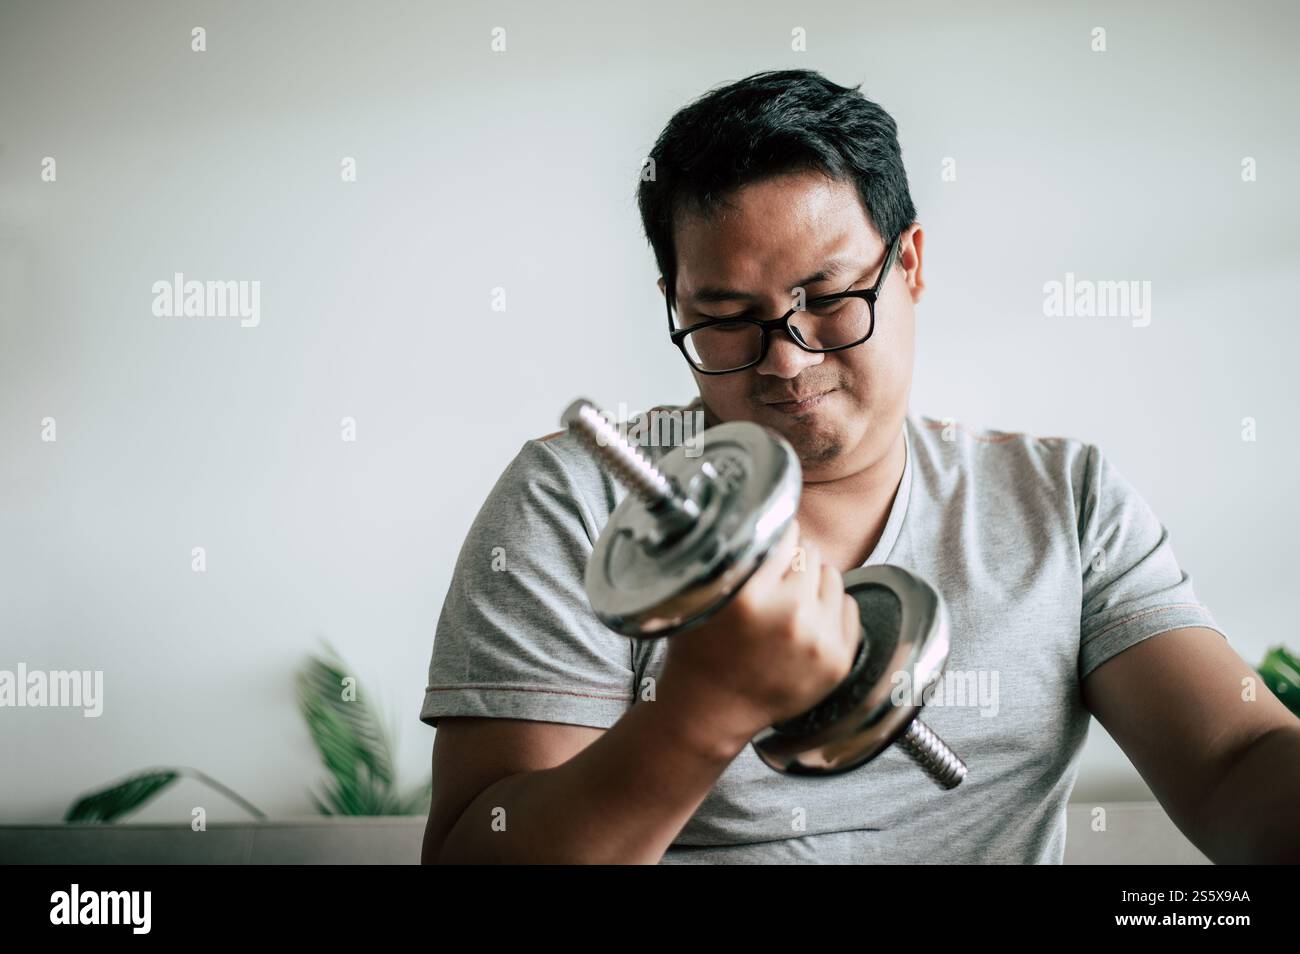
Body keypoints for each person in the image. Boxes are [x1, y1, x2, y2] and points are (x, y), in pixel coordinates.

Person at [418, 68, 1300, 864]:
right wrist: (699, 716)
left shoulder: (1066, 504)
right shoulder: (574, 503)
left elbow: (1234, 760)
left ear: (908, 263)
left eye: (829, 298)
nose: (787, 360)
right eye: (726, 315)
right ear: (674, 304)